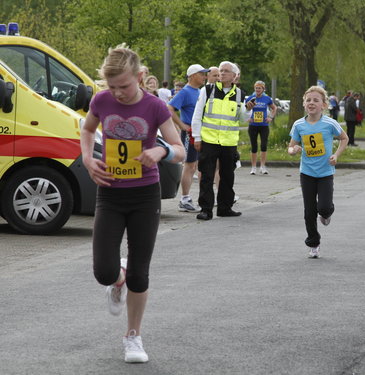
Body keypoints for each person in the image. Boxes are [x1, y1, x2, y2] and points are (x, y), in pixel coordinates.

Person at [80, 44, 185, 363]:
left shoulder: (155, 107)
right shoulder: (101, 100)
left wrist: (161, 152)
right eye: (112, 87)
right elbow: (87, 129)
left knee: (141, 273)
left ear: (140, 77)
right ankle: (117, 278)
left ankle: (133, 337)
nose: (118, 93)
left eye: (124, 86)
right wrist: (87, 158)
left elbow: (180, 149)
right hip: (110, 193)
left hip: (144, 195)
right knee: (103, 271)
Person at [287, 86, 348, 258]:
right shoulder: (299, 124)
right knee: (309, 210)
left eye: (316, 100)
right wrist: (294, 150)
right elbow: (291, 147)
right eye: (308, 100)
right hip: (306, 172)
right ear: (304, 104)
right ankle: (313, 243)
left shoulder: (330, 123)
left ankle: (327, 214)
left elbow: (344, 138)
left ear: (324, 105)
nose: (311, 103)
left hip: (325, 172)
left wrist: (336, 154)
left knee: (324, 207)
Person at [191, 61, 253, 220]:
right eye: (220, 71)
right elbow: (197, 115)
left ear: (234, 76)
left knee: (227, 176)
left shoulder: (240, 94)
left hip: (228, 142)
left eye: (226, 71)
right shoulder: (208, 90)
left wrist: (248, 110)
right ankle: (206, 209)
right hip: (209, 140)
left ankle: (225, 208)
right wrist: (197, 137)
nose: (222, 73)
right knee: (206, 176)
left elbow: (241, 118)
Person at [168, 64, 209, 213]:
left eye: (205, 74)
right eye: (201, 74)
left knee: (195, 165)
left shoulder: (199, 91)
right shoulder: (185, 92)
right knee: (190, 165)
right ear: (192, 76)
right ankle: (184, 199)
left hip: (199, 133)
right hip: (190, 133)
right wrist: (182, 125)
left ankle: (191, 198)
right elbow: (169, 108)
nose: (204, 77)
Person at [245, 81, 277, 175]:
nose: (258, 90)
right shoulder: (251, 98)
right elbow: (245, 109)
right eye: (256, 88)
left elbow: (274, 108)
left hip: (264, 126)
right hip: (253, 126)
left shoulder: (267, 98)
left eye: (259, 88)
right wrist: (248, 118)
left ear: (263, 89)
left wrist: (270, 117)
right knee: (254, 146)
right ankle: (253, 167)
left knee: (263, 145)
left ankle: (263, 166)